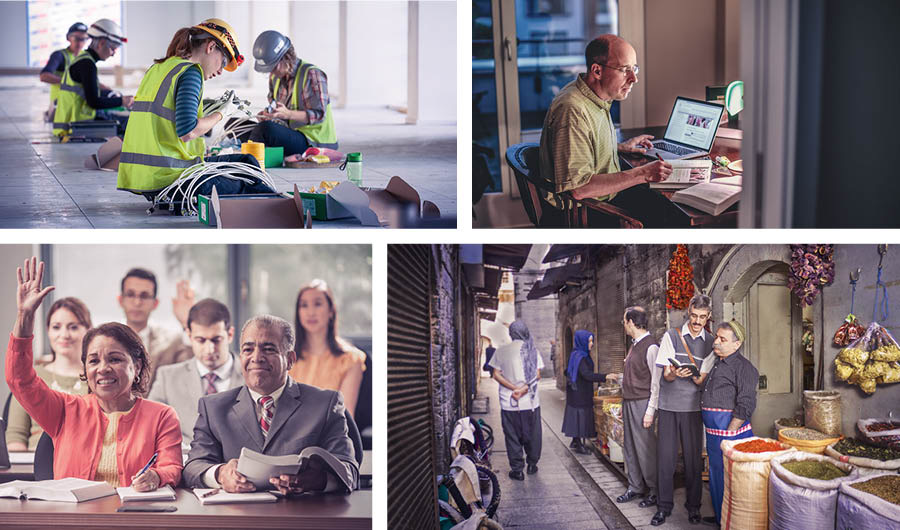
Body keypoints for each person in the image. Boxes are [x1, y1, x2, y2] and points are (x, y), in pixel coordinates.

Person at [5, 257, 182, 491]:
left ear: (137, 366)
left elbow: (173, 467)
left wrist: (157, 476)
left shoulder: (162, 416)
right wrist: (24, 317)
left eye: (115, 359)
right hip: (75, 520)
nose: (103, 368)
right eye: (93, 360)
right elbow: (20, 380)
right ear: (85, 368)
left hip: (134, 519)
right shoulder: (64, 410)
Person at [183, 315, 358, 494]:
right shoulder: (213, 408)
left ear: (290, 359)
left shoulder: (325, 404)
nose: (256, 357)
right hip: (236, 516)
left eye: (269, 349)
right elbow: (192, 468)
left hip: (301, 515)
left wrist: (319, 480)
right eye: (248, 349)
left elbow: (349, 471)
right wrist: (220, 474)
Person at [538, 34, 690, 228]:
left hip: (599, 199)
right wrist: (641, 173)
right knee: (674, 213)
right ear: (597, 70)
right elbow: (578, 188)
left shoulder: (591, 94)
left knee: (668, 202)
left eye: (634, 69)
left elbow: (580, 144)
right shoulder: (573, 110)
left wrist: (617, 147)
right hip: (583, 212)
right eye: (624, 70)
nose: (634, 78)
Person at [117, 18, 276, 200]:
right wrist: (222, 112)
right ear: (210, 47)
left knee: (247, 163)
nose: (220, 71)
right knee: (250, 189)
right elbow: (188, 131)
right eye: (223, 62)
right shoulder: (191, 72)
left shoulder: (158, 68)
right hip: (171, 179)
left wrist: (205, 107)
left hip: (148, 176)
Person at [651, 294, 717, 526]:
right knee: (666, 459)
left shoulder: (711, 343)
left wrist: (693, 376)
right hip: (668, 407)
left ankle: (693, 507)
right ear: (688, 312)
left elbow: (701, 381)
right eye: (694, 315)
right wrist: (673, 373)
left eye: (702, 317)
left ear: (709, 316)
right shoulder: (671, 336)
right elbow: (665, 375)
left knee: (693, 460)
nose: (697, 321)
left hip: (692, 408)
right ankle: (663, 507)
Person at [148, 298, 244, 446]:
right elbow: (151, 430)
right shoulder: (167, 378)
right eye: (201, 340)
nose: (209, 349)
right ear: (189, 335)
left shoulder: (252, 376)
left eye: (216, 340)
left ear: (230, 334)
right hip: (185, 464)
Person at [5, 297, 91, 451]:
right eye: (56, 327)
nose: (64, 334)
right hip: (34, 465)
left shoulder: (97, 377)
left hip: (82, 465)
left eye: (73, 327)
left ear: (88, 330)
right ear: (48, 331)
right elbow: (15, 437)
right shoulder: (29, 377)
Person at [701, 321, 758, 528]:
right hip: (715, 434)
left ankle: (732, 522)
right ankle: (720, 518)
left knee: (732, 479)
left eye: (722, 339)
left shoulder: (744, 368)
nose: (716, 341)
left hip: (730, 435)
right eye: (717, 337)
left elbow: (746, 404)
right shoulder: (718, 363)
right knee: (717, 476)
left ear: (737, 344)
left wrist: (729, 435)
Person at [248, 30, 338, 155]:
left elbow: (319, 115)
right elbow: (275, 108)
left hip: (313, 142)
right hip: (291, 133)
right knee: (238, 126)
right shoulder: (275, 77)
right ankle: (252, 150)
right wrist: (268, 115)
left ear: (286, 58)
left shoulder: (312, 74)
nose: (271, 73)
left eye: (273, 67)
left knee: (265, 130)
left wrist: (288, 114)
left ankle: (250, 157)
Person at [287, 280, 366, 417]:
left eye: (317, 304)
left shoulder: (351, 360)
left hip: (330, 436)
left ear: (331, 311)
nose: (310, 312)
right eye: (304, 305)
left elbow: (344, 418)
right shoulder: (286, 359)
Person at [611, 306, 660, 509]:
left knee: (645, 449)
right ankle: (635, 486)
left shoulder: (651, 347)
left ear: (631, 322)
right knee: (630, 446)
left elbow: (656, 383)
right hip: (630, 402)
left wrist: (650, 411)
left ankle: (655, 491)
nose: (623, 325)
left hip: (642, 404)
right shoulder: (634, 345)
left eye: (624, 321)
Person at [52, 19, 134, 138]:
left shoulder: (84, 59)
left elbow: (87, 92)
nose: (113, 53)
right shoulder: (87, 64)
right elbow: (94, 102)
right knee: (131, 122)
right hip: (74, 126)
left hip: (74, 122)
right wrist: (122, 101)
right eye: (113, 48)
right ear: (101, 43)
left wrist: (110, 94)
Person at [118, 268, 192, 389]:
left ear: (155, 303)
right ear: (121, 300)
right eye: (131, 295)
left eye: (144, 296)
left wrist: (186, 324)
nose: (137, 302)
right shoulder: (105, 339)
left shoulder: (172, 343)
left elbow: (189, 371)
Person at [488, 320, 544, 480]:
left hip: (509, 403)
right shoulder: (533, 351)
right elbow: (537, 376)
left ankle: (517, 470)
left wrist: (514, 389)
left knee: (512, 436)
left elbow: (496, 374)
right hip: (531, 403)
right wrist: (523, 389)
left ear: (511, 333)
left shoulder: (502, 351)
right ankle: (532, 464)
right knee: (533, 434)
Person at [562, 329, 619, 455]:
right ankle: (580, 445)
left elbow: (567, 371)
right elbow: (587, 375)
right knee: (581, 418)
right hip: (580, 393)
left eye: (592, 340)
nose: (592, 344)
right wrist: (605, 376)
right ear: (582, 341)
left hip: (576, 391)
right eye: (589, 341)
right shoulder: (581, 357)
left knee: (578, 417)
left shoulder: (577, 353)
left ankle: (575, 441)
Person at [39, 22, 92, 122]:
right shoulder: (59, 56)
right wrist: (69, 81)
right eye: (76, 38)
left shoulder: (86, 57)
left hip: (78, 105)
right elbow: (44, 76)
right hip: (59, 106)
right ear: (68, 38)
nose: (80, 42)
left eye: (84, 39)